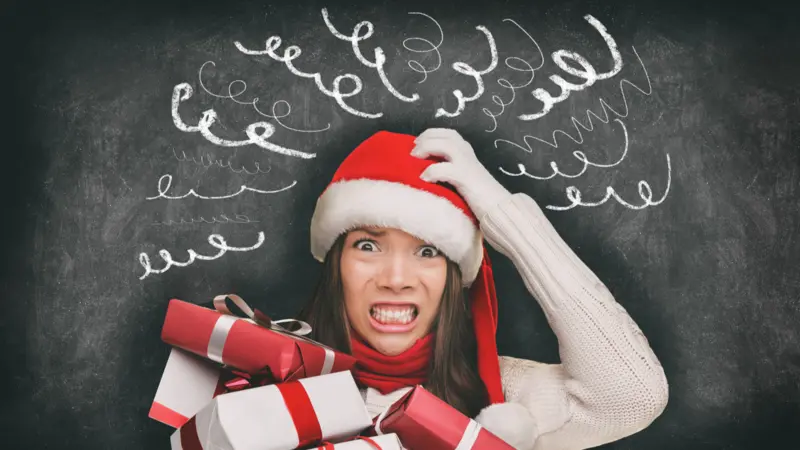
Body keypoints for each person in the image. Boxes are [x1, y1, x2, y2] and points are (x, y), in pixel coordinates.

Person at [297, 129, 668, 449]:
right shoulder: (262, 383)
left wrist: (502, 215)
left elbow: (634, 395)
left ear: (455, 280)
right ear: (336, 265)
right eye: (368, 246)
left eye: (428, 251)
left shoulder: (507, 403)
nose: (396, 279)